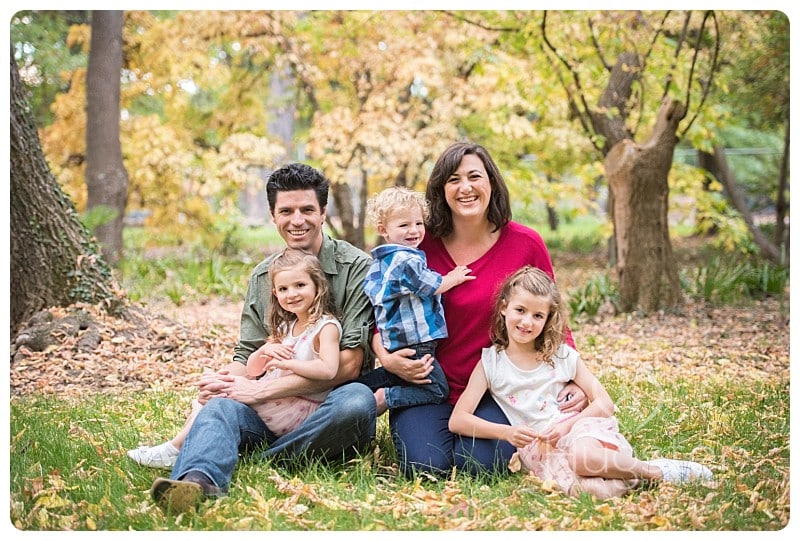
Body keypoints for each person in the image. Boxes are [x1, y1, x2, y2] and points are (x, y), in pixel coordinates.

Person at [148, 163, 377, 513]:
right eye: (286, 211)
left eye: (306, 210)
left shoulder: (357, 267)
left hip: (327, 413)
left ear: (323, 213)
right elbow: (250, 357)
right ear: (273, 215)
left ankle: (265, 459)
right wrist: (225, 382)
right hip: (271, 414)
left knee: (358, 401)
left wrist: (259, 390)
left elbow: (348, 365)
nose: (296, 220)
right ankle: (197, 481)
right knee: (222, 406)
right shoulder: (263, 276)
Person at [372, 141, 588, 477]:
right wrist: (386, 358)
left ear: (491, 182)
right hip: (426, 381)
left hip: (498, 387)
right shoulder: (416, 244)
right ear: (441, 189)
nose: (466, 187)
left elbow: (552, 314)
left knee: (482, 467)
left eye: (475, 176)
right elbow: (383, 311)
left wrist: (572, 376)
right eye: (454, 179)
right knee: (425, 468)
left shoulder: (525, 243)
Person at [449, 266, 713, 498]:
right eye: (520, 310)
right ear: (504, 307)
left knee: (583, 458)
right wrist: (506, 433)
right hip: (542, 450)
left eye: (538, 315)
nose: (527, 322)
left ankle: (655, 470)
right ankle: (630, 476)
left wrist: (566, 428)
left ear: (548, 319)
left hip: (578, 431)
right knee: (590, 491)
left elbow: (605, 403)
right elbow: (458, 420)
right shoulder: (491, 363)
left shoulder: (560, 355)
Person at [128, 248, 343, 468]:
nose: (292, 294)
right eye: (283, 288)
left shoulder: (325, 327)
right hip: (276, 403)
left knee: (218, 396)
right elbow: (253, 368)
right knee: (212, 391)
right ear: (276, 295)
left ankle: (174, 449)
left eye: (300, 285)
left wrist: (288, 363)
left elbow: (328, 369)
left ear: (317, 286)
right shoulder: (287, 327)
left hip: (293, 411)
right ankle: (180, 448)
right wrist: (263, 352)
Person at [357, 187, 475, 415]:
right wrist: (453, 277)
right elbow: (430, 286)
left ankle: (361, 386)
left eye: (418, 223)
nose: (414, 231)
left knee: (398, 373)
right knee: (437, 390)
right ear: (384, 230)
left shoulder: (381, 261)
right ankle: (386, 396)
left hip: (398, 340)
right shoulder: (405, 260)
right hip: (417, 341)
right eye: (404, 225)